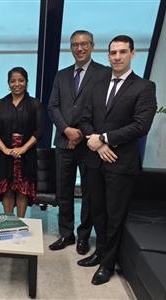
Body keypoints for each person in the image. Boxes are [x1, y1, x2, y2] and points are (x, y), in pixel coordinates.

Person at [78, 35, 156, 285]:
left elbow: (141, 126)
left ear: (133, 54)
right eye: (113, 52)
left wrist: (103, 138)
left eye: (123, 52)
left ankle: (108, 265)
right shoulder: (97, 85)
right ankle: (100, 252)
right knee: (97, 211)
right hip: (95, 160)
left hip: (121, 164)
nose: (117, 57)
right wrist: (97, 142)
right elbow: (84, 117)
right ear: (108, 55)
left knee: (114, 215)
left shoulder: (144, 87)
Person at [47, 30, 110, 255]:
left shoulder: (104, 73)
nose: (79, 48)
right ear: (70, 48)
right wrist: (66, 129)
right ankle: (66, 234)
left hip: (90, 144)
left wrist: (81, 133)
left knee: (89, 192)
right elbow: (52, 106)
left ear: (92, 46)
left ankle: (84, 236)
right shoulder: (61, 75)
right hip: (64, 142)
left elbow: (103, 109)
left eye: (84, 44)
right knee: (63, 191)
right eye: (75, 45)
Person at [0, 67, 43, 217]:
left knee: (22, 190)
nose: (17, 84)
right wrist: (5, 149)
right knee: (7, 190)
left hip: (26, 154)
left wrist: (23, 148)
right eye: (13, 81)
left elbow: (39, 131)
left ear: (26, 82)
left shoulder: (34, 104)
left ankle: (20, 223)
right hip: (4, 154)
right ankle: (8, 223)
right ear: (8, 83)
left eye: (21, 80)